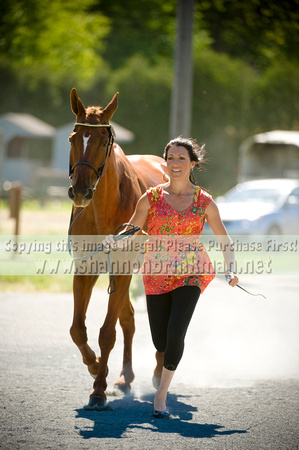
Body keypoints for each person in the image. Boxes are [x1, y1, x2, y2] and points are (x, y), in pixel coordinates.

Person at [104, 137, 239, 418]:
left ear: (192, 164)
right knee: (161, 342)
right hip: (156, 273)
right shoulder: (150, 197)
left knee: (177, 330)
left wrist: (231, 267)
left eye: (181, 158)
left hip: (191, 272)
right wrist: (113, 241)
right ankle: (165, 362)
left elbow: (224, 239)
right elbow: (133, 228)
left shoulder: (204, 202)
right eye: (171, 158)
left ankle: (161, 394)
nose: (175, 163)